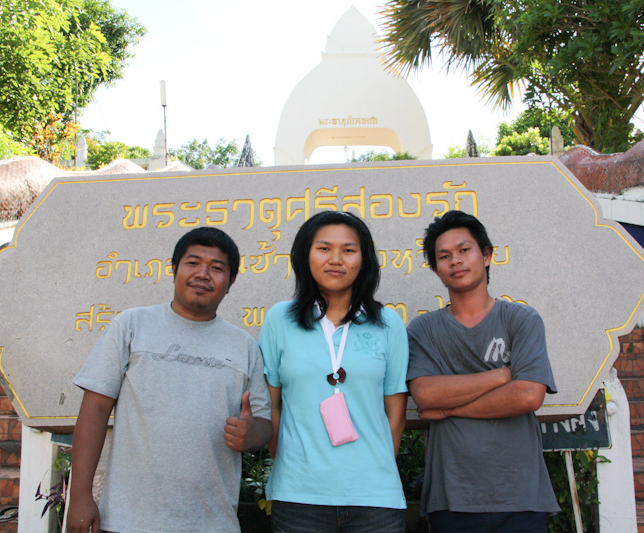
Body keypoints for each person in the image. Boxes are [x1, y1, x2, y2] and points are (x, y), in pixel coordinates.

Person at [67, 227, 272, 533]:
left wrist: (251, 434)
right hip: (129, 521)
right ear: (174, 269)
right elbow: (95, 409)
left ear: (231, 282)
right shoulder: (132, 325)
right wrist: (80, 495)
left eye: (217, 268)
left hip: (212, 523)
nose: (203, 274)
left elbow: (264, 423)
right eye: (193, 263)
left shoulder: (244, 347)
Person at [407, 210, 559, 532]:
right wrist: (502, 376)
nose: (455, 261)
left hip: (522, 495)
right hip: (453, 497)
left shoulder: (521, 319)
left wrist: (448, 408)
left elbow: (528, 396)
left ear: (486, 256)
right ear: (435, 269)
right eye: (444, 256)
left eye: (464, 250)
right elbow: (426, 395)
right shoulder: (423, 329)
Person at [259, 211, 409, 532]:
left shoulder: (388, 323)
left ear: (364, 260)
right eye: (324, 248)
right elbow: (272, 405)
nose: (336, 259)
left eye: (349, 250)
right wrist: (291, 464)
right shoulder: (279, 320)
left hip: (375, 499)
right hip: (299, 497)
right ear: (305, 256)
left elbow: (395, 411)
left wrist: (377, 468)